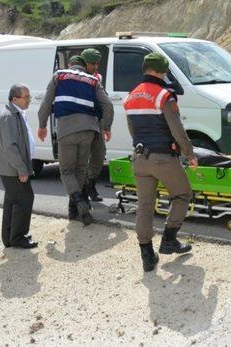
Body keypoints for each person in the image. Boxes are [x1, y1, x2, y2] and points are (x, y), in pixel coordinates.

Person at [124, 52, 198, 272]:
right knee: (183, 194)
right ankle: (169, 239)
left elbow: (132, 129)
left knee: (144, 206)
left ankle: (147, 254)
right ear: (159, 71)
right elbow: (177, 129)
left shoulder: (131, 96)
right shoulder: (164, 95)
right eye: (164, 71)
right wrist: (190, 154)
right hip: (163, 157)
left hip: (139, 157)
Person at [37, 53, 113, 226]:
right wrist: (106, 127)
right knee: (80, 169)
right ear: (83, 65)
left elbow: (46, 104)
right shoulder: (93, 80)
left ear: (70, 64)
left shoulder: (59, 75)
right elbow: (108, 105)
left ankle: (79, 200)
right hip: (89, 131)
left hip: (67, 130)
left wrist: (42, 125)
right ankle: (76, 212)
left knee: (66, 171)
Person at [0, 83, 37, 249]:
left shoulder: (16, 114)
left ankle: (10, 238)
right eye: (26, 97)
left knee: (12, 201)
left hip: (13, 168)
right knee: (24, 199)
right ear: (14, 98)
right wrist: (21, 169)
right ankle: (18, 238)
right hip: (12, 169)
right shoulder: (8, 116)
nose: (29, 100)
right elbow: (10, 147)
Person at [80, 47, 106, 203]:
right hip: (83, 123)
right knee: (82, 159)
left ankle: (91, 185)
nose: (96, 67)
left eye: (97, 64)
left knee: (99, 155)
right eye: (92, 64)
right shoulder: (76, 77)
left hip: (97, 121)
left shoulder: (98, 78)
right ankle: (82, 191)